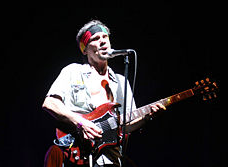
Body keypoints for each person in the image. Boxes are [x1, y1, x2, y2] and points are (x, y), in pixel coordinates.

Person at [42, 20, 166, 167]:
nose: (102, 41)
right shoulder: (73, 72)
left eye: (105, 37)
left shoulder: (121, 82)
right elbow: (50, 103)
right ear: (84, 49)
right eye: (95, 39)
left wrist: (147, 117)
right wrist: (81, 123)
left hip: (110, 160)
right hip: (76, 156)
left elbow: (126, 124)